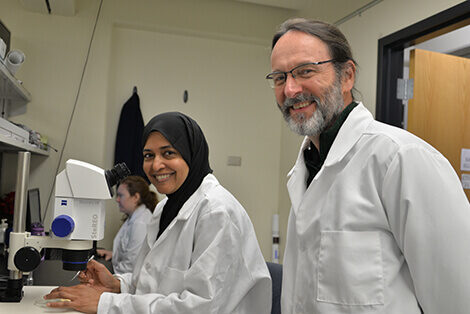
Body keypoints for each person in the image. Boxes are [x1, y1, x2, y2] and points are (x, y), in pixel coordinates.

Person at [266, 18, 470, 314]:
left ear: (347, 75)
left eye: (305, 71)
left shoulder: (401, 158)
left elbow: (458, 297)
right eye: (280, 78)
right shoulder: (306, 170)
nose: (291, 89)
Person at [44, 112, 271, 313]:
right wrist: (118, 285)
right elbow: (156, 280)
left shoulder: (216, 212)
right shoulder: (166, 207)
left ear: (191, 154)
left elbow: (201, 307)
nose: (156, 165)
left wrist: (105, 303)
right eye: (148, 155)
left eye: (168, 153)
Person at [96, 175, 157, 274]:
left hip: (128, 281)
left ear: (136, 197)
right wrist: (113, 254)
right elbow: (130, 251)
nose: (117, 200)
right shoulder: (134, 217)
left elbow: (131, 266)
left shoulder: (141, 223)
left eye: (121, 195)